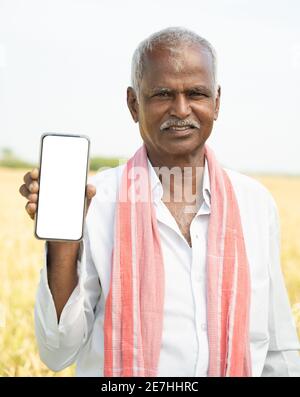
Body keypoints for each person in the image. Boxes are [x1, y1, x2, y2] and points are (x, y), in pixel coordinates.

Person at [19, 26, 300, 377]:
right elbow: (57, 352)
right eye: (162, 94)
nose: (181, 110)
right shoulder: (95, 201)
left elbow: (278, 348)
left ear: (217, 102)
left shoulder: (254, 203)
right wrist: (63, 239)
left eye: (196, 93)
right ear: (134, 104)